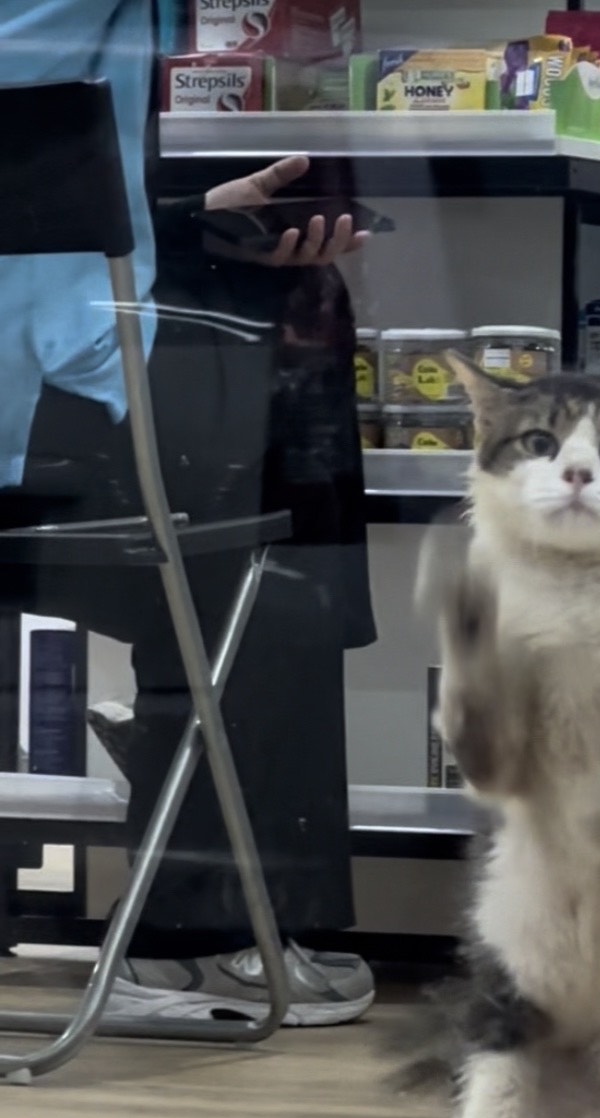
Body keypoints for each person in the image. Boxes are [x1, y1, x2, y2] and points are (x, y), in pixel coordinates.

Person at [1, 0, 377, 1026]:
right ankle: (199, 936)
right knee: (277, 554)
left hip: (44, 379)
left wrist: (188, 217)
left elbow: (47, 178)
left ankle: (198, 919)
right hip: (41, 409)